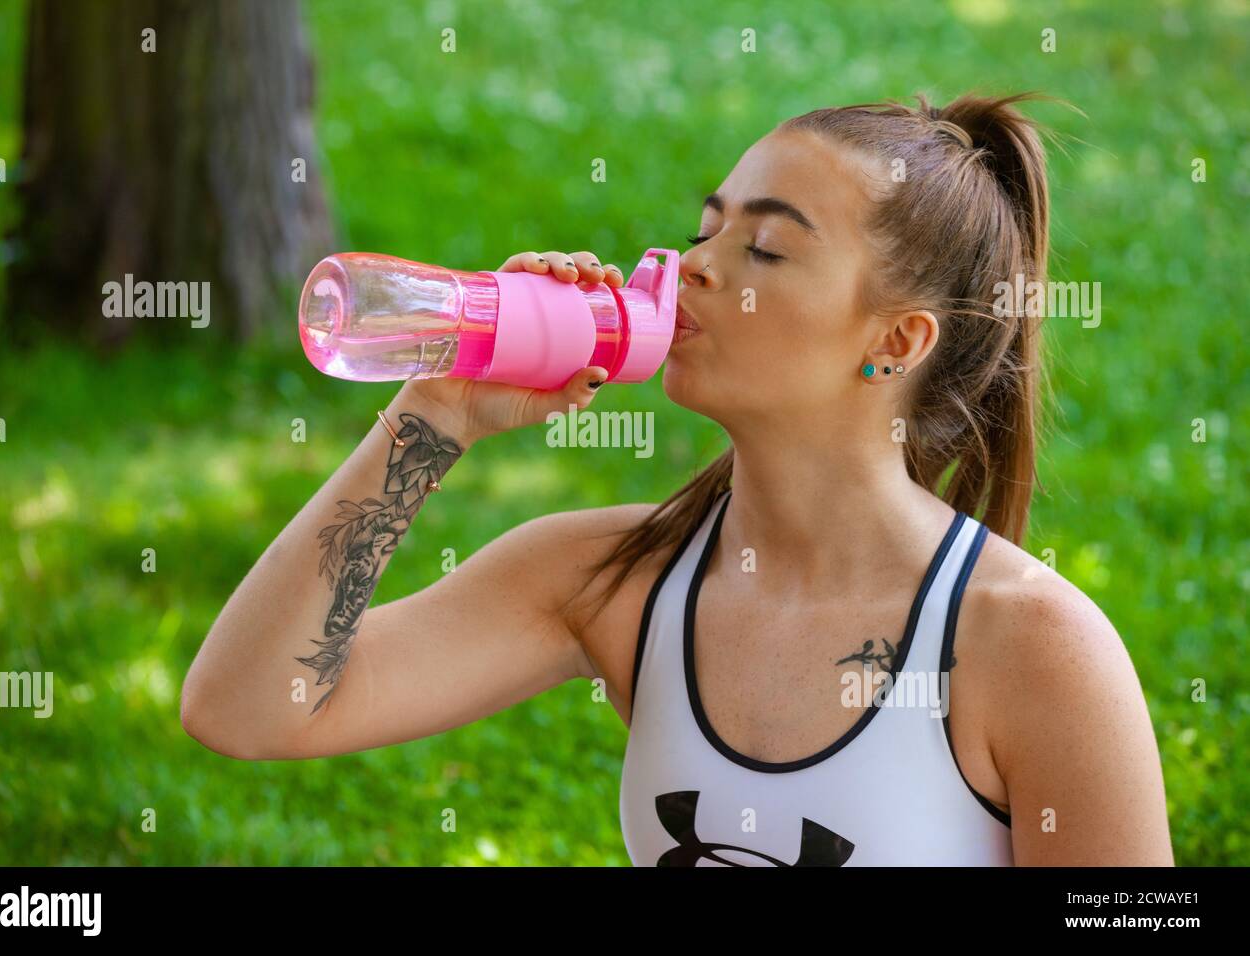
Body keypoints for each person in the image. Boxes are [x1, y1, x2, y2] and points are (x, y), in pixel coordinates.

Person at [181, 91, 1174, 866]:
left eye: (765, 247)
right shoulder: (612, 578)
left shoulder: (1031, 646)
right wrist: (435, 413)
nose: (695, 264)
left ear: (895, 339)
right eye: (706, 227)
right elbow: (250, 703)